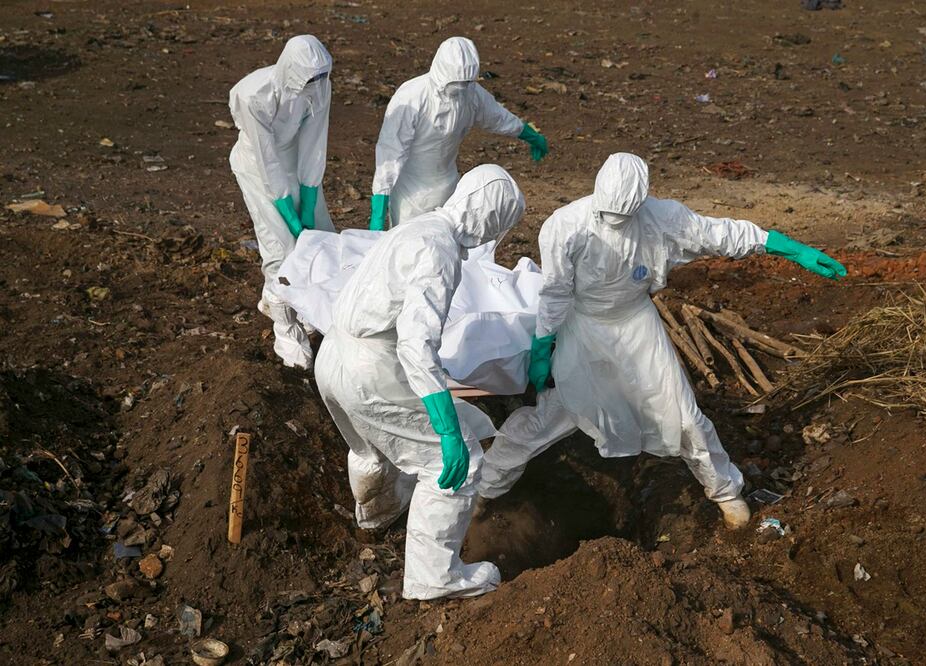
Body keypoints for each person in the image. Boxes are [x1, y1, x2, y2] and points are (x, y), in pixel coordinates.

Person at [478, 153, 847, 529]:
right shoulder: (565, 226)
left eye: (623, 218)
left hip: (637, 325)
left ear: (640, 205)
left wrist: (788, 247)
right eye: (608, 216)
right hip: (585, 327)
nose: (615, 224)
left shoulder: (663, 218)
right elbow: (555, 292)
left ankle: (725, 493)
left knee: (683, 414)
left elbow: (720, 234)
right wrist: (544, 345)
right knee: (560, 411)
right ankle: (486, 488)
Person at [315, 164, 526, 599]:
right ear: (488, 219)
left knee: (369, 446)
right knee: (457, 462)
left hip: (333, 353)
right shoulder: (440, 252)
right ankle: (434, 576)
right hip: (371, 367)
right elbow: (416, 343)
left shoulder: (418, 227)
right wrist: (447, 427)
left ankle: (375, 517)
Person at [229, 35, 334, 370]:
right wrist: (290, 215)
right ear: (291, 70)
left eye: (322, 77)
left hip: (293, 160)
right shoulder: (254, 95)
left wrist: (309, 198)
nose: (316, 85)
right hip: (257, 165)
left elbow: (315, 143)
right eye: (309, 78)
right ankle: (286, 332)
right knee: (281, 246)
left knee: (321, 237)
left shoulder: (318, 88)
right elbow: (267, 160)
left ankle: (293, 303)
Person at [368, 36, 548, 230]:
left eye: (466, 82)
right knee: (409, 245)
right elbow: (391, 151)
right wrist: (379, 206)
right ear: (442, 72)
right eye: (456, 82)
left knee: (448, 242)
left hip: (450, 187)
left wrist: (529, 135)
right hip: (411, 194)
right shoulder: (412, 96)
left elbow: (498, 117)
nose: (461, 87)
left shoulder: (471, 93)